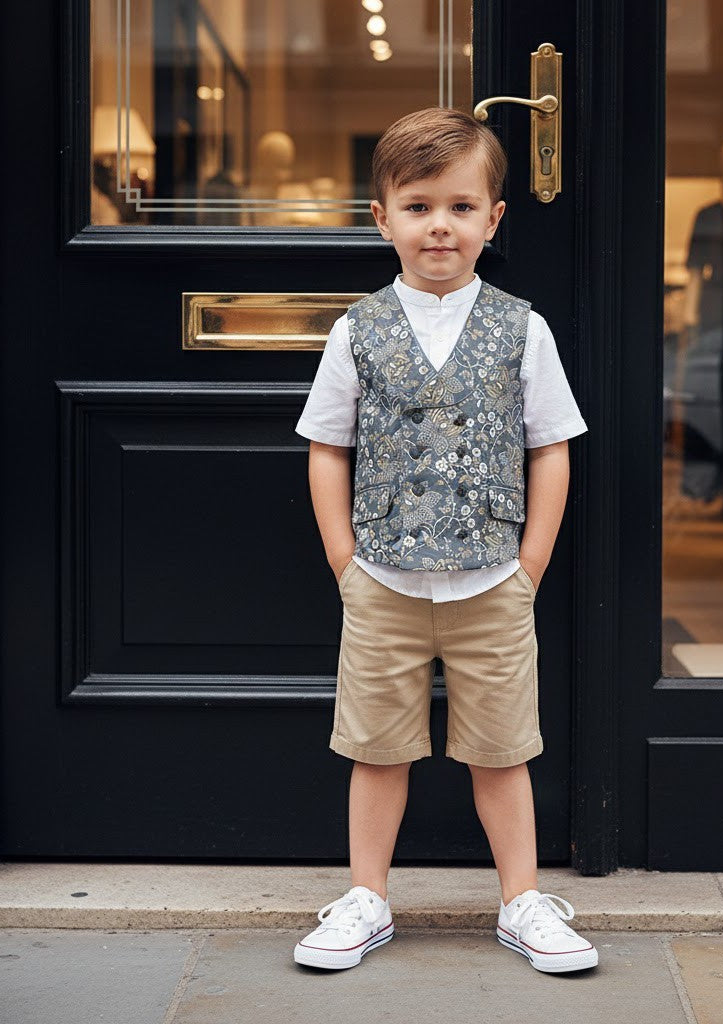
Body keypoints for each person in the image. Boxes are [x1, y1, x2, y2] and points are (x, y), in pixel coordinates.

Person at [292, 107, 595, 974]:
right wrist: (344, 562)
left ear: (493, 219)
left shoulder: (521, 328)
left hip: (492, 581)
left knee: (501, 752)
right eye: (419, 206)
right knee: (376, 748)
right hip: (381, 582)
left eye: (461, 208)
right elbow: (327, 447)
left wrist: (529, 563)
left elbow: (551, 447)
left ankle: (522, 900)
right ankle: (366, 897)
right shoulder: (356, 330)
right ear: (381, 217)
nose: (439, 226)